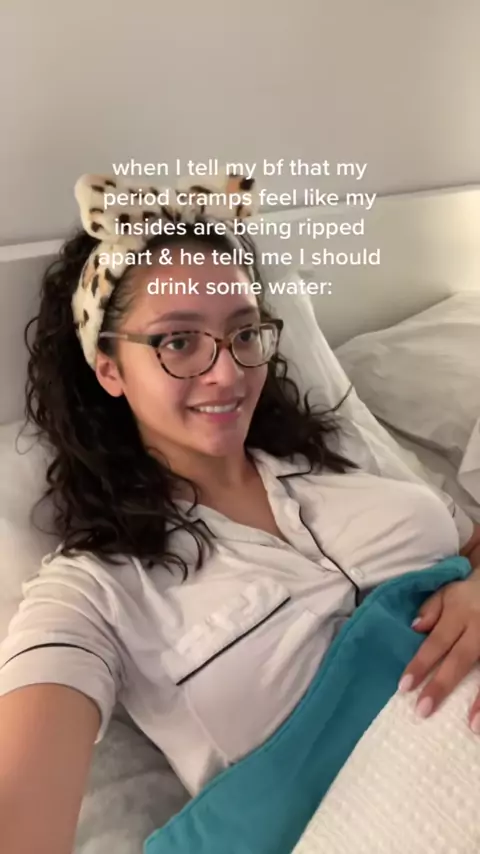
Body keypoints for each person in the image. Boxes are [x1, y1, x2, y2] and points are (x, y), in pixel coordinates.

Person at [1, 170, 480, 854]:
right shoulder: (95, 589)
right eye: (178, 341)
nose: (227, 373)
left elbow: (469, 543)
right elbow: (21, 813)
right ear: (109, 368)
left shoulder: (340, 457)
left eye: (244, 332)